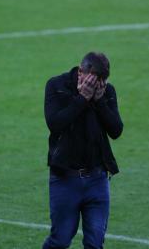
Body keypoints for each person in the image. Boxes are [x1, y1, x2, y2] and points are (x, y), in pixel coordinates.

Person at [42, 52, 124, 249]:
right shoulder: (56, 86)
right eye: (95, 80)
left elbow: (116, 130)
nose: (99, 85)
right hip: (65, 179)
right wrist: (81, 99)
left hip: (97, 179)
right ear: (81, 72)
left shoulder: (106, 91)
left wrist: (99, 101)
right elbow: (55, 123)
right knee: (60, 240)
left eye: (103, 81)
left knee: (95, 243)